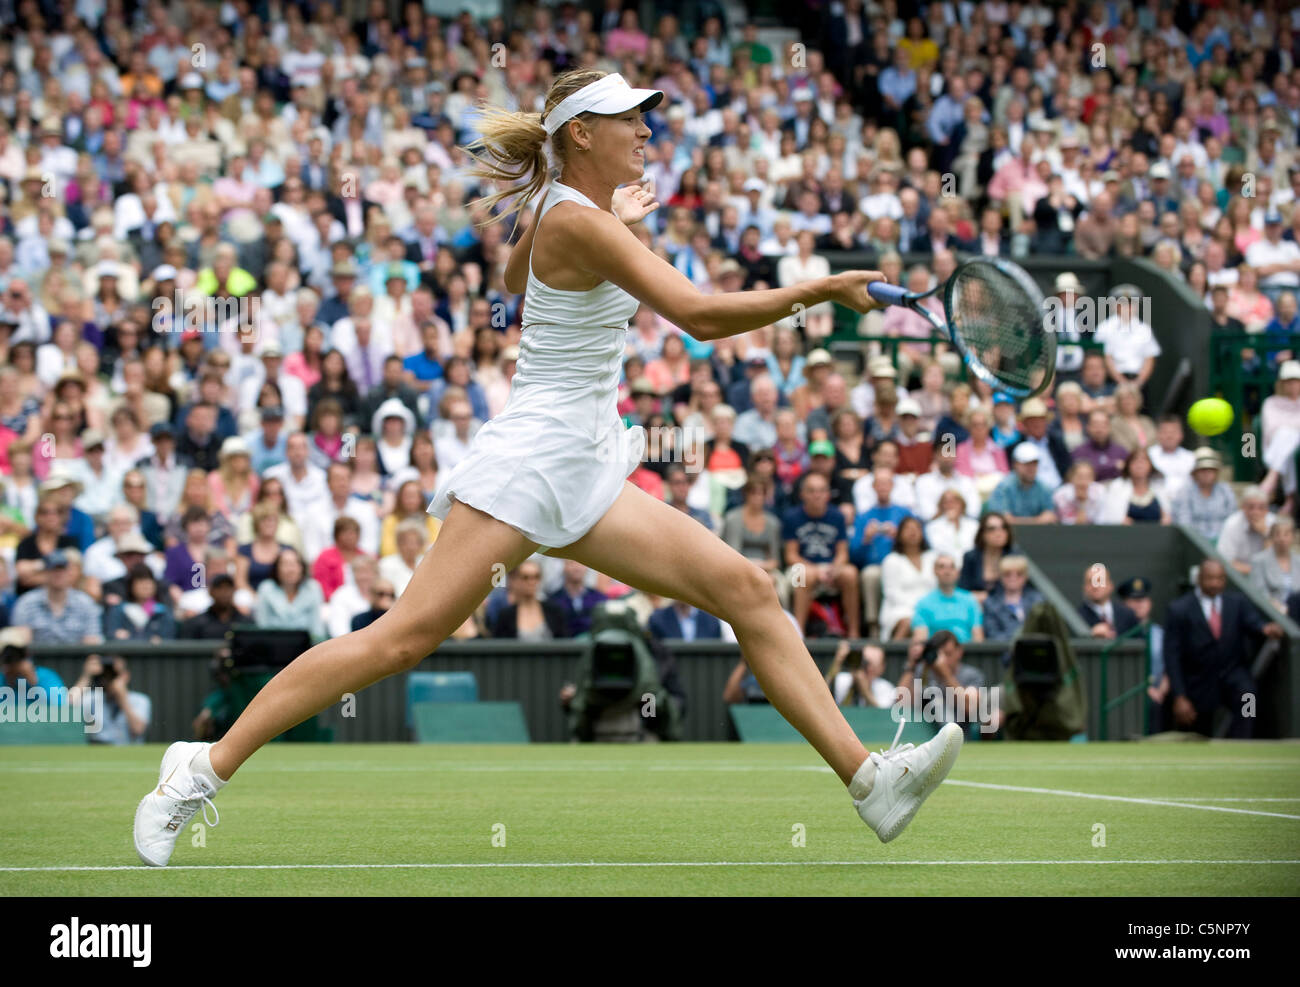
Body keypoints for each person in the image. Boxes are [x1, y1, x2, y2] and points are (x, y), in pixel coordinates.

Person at [133, 69, 963, 867]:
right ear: (581, 134)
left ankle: (868, 781)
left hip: (590, 460)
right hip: (531, 462)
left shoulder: (567, 213)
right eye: (629, 118)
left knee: (748, 588)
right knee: (402, 637)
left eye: (648, 115)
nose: (646, 128)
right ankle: (200, 766)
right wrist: (821, 290)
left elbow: (511, 273)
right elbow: (703, 318)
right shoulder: (576, 221)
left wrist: (615, 216)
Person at [1163, 559, 1284, 738]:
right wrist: (1180, 696)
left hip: (1232, 673)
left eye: (1220, 579)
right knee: (1197, 731)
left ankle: (1244, 742)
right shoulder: (1179, 609)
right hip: (1198, 680)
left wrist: (1265, 629)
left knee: (1248, 698)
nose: (1215, 583)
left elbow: (1254, 624)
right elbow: (1172, 655)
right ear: (1199, 579)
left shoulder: (1237, 603)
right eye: (1210, 579)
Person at [11, 549, 103, 644]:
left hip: (77, 658)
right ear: (45, 573)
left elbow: (92, 644)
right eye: (54, 569)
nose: (59, 574)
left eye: (62, 569)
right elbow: (22, 644)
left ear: (69, 572)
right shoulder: (27, 602)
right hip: (39, 658)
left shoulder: (85, 603)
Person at [1117, 576, 1168, 734]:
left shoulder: (1161, 633)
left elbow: (1170, 665)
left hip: (1160, 694)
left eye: (1142, 599)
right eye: (1133, 600)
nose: (1138, 605)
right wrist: (1145, 688)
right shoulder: (1120, 634)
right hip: (1129, 692)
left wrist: (1161, 690)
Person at [72, 656, 151, 744]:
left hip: (128, 752)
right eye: (105, 675)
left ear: (126, 676)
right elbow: (67, 706)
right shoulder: (93, 698)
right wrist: (87, 676)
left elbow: (138, 730)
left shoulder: (140, 700)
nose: (109, 679)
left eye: (114, 675)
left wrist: (122, 699)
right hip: (99, 751)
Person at [253, 548, 326, 642]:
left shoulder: (313, 588)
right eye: (285, 564)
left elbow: (317, 628)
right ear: (277, 568)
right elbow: (262, 625)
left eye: (295, 564)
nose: (290, 569)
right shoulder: (266, 588)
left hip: (307, 648)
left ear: (302, 568)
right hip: (273, 646)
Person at [911, 554, 984, 643]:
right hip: (936, 653)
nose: (947, 571)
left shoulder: (970, 600)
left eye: (952, 567)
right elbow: (920, 639)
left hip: (966, 653)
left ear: (958, 572)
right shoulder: (923, 603)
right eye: (942, 567)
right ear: (935, 571)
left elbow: (978, 636)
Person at [493, 558, 570, 639]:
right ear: (515, 580)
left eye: (536, 577)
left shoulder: (554, 611)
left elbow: (563, 642)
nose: (531, 582)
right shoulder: (506, 615)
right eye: (525, 577)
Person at [1170, 448, 1237, 541]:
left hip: (1223, 541)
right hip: (1195, 543)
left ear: (1216, 472)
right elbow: (1184, 523)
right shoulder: (1185, 492)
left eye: (1210, 470)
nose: (1207, 474)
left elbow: (1232, 519)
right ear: (1195, 473)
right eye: (1202, 470)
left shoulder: (1225, 490)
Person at [986, 443, 1058, 523]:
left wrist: (1016, 520)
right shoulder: (1003, 487)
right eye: (1026, 464)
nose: (1031, 468)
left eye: (1034, 463)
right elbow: (1002, 519)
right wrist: (1038, 520)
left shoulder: (1045, 488)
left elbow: (1050, 516)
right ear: (1015, 464)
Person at [982, 555, 1043, 641]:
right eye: (1007, 574)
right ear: (1000, 576)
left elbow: (1043, 631)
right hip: (1005, 651)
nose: (1013, 578)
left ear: (1026, 576)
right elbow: (992, 635)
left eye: (1019, 574)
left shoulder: (1038, 600)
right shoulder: (991, 603)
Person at [1216, 487, 1275, 576]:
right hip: (1238, 577)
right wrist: (1255, 571)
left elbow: (1276, 561)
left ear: (1267, 509)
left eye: (1261, 508)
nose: (1256, 512)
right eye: (1251, 507)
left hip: (1268, 577)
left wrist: (1266, 534)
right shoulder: (1232, 524)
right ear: (1243, 507)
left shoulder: (1273, 522)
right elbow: (1225, 561)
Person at [1250, 517, 1300, 612]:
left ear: (1293, 537)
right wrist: (1278, 608)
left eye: (1286, 534)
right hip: (1270, 613)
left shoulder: (1298, 560)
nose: (1282, 539)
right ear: (1272, 537)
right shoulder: (1259, 560)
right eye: (1277, 534)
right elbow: (1259, 592)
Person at [826, 641, 897, 708]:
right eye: (864, 662)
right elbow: (822, 695)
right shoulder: (842, 679)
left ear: (882, 668)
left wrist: (865, 691)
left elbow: (881, 715)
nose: (867, 668)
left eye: (872, 665)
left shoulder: (886, 689)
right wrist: (837, 662)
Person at [1078, 563, 1139, 639]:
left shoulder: (1127, 615)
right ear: (1085, 587)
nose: (1095, 586)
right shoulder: (1077, 617)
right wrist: (1090, 635)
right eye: (1090, 581)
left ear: (1110, 585)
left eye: (1100, 580)